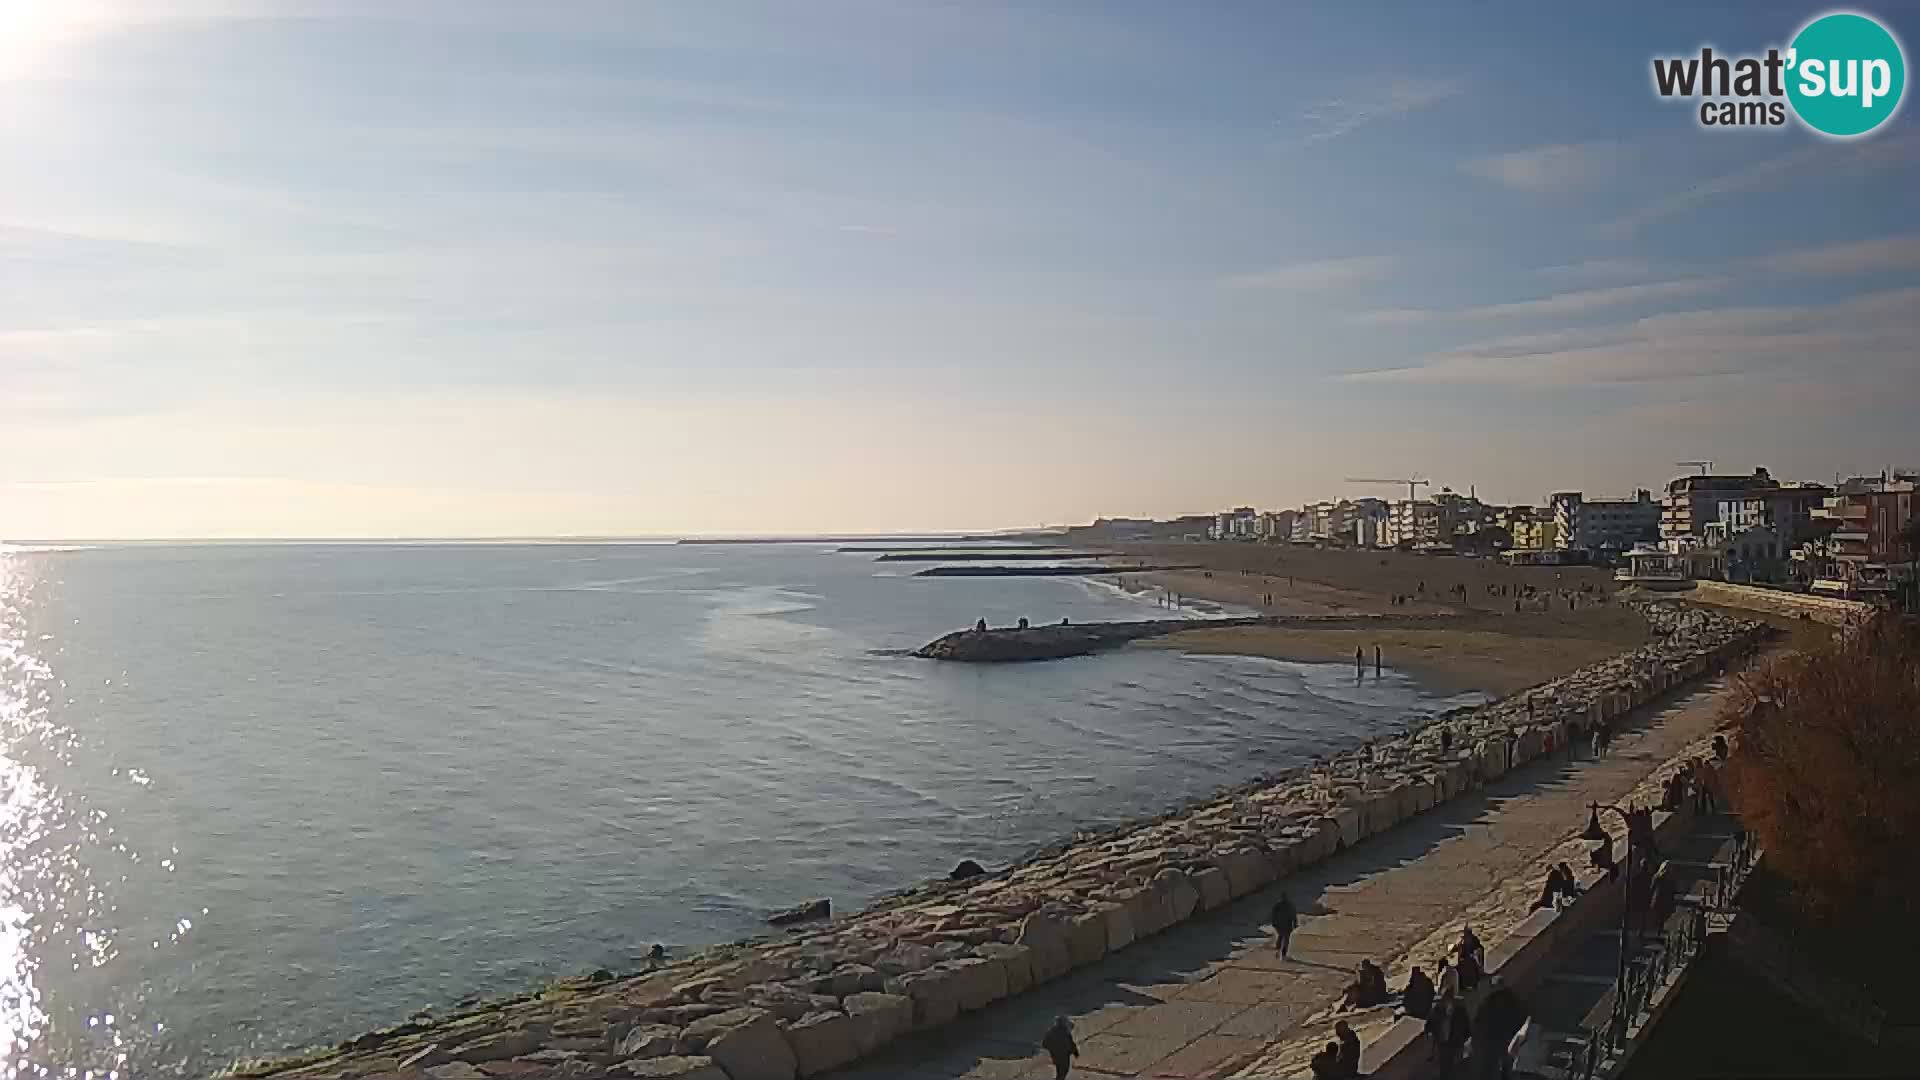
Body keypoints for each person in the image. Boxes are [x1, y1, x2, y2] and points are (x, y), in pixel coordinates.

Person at [1470, 975, 1528, 1080]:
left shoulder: (1489, 1000)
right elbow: (1521, 1018)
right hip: (1506, 1038)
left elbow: (1479, 1019)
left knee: (1488, 1067)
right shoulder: (1513, 999)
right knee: (1506, 1067)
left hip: (1490, 1039)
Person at [1271, 893, 1299, 958]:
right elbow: (1293, 915)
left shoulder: (1277, 905)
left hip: (1280, 924)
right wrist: (1295, 924)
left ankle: (1278, 950)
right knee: (1285, 938)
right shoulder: (1289, 905)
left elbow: (1273, 915)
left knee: (1281, 936)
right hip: (1287, 925)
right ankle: (1283, 952)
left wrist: (1274, 923)